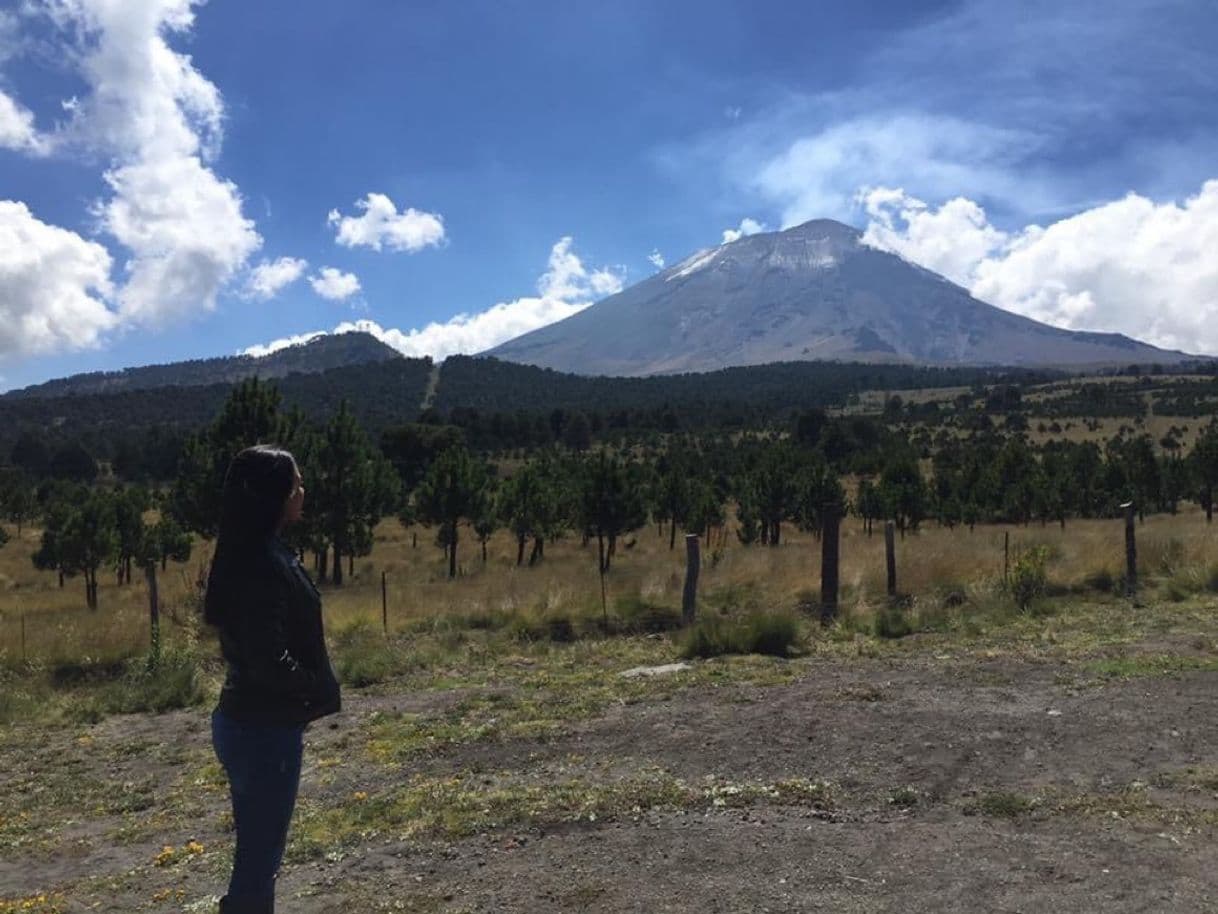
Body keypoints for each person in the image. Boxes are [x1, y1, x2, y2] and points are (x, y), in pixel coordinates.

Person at [204, 445, 341, 914]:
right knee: (258, 864)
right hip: (263, 731)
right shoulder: (263, 563)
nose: (303, 492)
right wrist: (311, 686)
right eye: (297, 484)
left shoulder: (251, 552)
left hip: (246, 722)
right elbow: (268, 658)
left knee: (257, 855)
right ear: (277, 496)